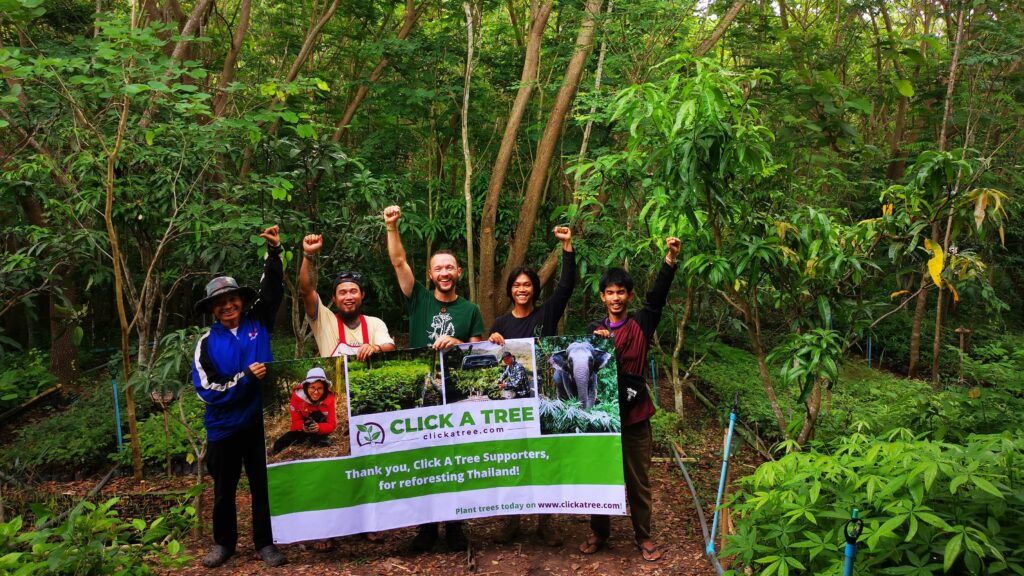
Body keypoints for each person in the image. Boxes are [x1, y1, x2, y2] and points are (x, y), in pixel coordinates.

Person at [384, 204, 483, 552]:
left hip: (454, 394)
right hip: (420, 390)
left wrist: (457, 344)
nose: (444, 272)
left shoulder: (470, 310)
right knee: (423, 459)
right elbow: (398, 263)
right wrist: (392, 227)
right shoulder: (419, 300)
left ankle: (456, 527)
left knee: (454, 459)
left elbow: (476, 356)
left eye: (449, 267)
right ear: (430, 274)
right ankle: (426, 529)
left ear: (458, 272)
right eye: (438, 268)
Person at [578, 237, 681, 563]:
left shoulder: (640, 324)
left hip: (636, 416)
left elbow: (657, 299)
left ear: (629, 296)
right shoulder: (594, 329)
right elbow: (580, 363)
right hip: (604, 418)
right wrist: (597, 342)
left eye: (621, 292)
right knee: (600, 477)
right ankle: (599, 532)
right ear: (603, 297)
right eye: (610, 292)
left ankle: (644, 535)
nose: (616, 297)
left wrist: (670, 259)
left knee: (638, 479)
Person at [192, 225, 288, 569]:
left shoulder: (258, 322)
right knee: (224, 492)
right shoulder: (206, 344)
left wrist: (274, 253)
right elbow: (209, 390)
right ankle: (224, 544)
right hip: (223, 429)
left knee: (264, 488)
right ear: (214, 309)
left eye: (233, 300)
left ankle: (265, 543)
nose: (229, 305)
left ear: (241, 301)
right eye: (221, 303)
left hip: (261, 424)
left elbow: (272, 290)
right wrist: (245, 378)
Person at [488, 226, 575, 546]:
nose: (522, 289)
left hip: (542, 399)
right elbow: (496, 358)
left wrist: (567, 247)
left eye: (527, 285)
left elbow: (565, 287)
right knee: (514, 459)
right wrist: (494, 342)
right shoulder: (500, 322)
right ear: (510, 290)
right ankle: (511, 520)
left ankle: (545, 521)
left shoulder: (545, 314)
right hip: (512, 406)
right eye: (517, 285)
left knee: (545, 459)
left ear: (534, 289)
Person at [298, 233, 397, 360]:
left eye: (353, 291)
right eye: (342, 292)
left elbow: (390, 347)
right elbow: (306, 291)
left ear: (362, 295)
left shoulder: (375, 323)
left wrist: (375, 348)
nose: (348, 297)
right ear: (334, 298)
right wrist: (308, 255)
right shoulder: (324, 321)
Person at [271, 367, 336, 454]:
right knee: (279, 444)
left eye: (320, 388)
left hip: (320, 426)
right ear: (306, 387)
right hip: (304, 427)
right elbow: (296, 421)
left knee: (318, 417)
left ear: (324, 389)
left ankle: (320, 438)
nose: (316, 392)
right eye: (312, 387)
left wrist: (319, 427)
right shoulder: (297, 396)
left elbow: (332, 424)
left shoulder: (329, 398)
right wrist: (303, 427)